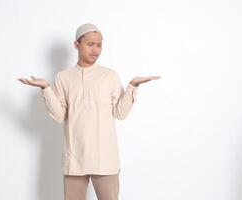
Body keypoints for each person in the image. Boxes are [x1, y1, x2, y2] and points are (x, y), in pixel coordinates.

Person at [18, 23, 161, 200]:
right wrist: (46, 88)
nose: (95, 50)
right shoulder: (63, 77)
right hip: (75, 158)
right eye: (90, 44)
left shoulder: (109, 75)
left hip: (105, 158)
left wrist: (133, 86)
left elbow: (120, 113)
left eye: (99, 45)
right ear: (76, 45)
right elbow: (59, 115)